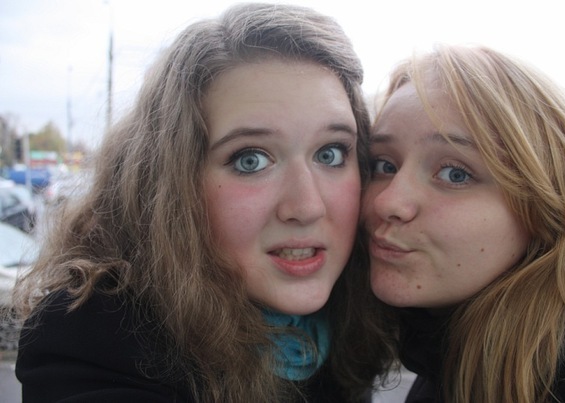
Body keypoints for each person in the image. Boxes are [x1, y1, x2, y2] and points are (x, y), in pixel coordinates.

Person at [12, 3, 395, 402]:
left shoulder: (345, 325)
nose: (307, 206)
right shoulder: (95, 342)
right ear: (172, 186)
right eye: (251, 160)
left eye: (331, 153)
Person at [363, 44, 565, 403]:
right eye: (384, 165)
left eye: (455, 173)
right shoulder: (444, 345)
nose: (386, 202)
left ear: (547, 207)